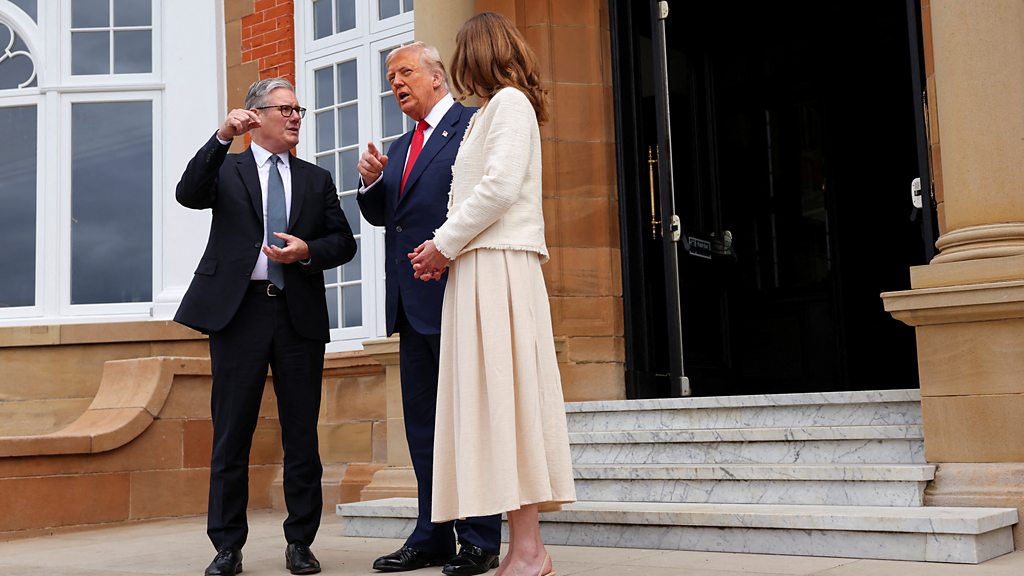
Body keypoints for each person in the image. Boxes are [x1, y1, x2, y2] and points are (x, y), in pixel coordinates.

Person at [409, 12, 576, 576]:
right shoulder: (492, 111)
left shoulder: (509, 105)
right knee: (496, 410)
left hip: (500, 269)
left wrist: (442, 244)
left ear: (476, 55)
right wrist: (446, 251)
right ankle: (524, 549)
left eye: (461, 55)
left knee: (509, 406)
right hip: (480, 269)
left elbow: (500, 187)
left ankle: (529, 550)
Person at [175, 78, 356, 576]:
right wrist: (220, 136)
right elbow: (187, 194)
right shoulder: (228, 167)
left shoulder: (316, 179)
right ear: (255, 115)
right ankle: (227, 547)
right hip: (239, 313)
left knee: (302, 433)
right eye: (286, 109)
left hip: (297, 313)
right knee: (232, 431)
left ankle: (300, 542)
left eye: (300, 109)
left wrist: (307, 251)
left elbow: (343, 243)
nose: (297, 117)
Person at [357, 42, 503, 575]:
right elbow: (387, 217)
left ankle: (481, 537)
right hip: (410, 304)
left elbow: (484, 199)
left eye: (404, 72)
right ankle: (432, 533)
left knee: (467, 420)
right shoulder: (399, 146)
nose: (395, 82)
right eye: (390, 76)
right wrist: (372, 182)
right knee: (424, 426)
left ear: (437, 76)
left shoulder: (471, 125)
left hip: (456, 293)